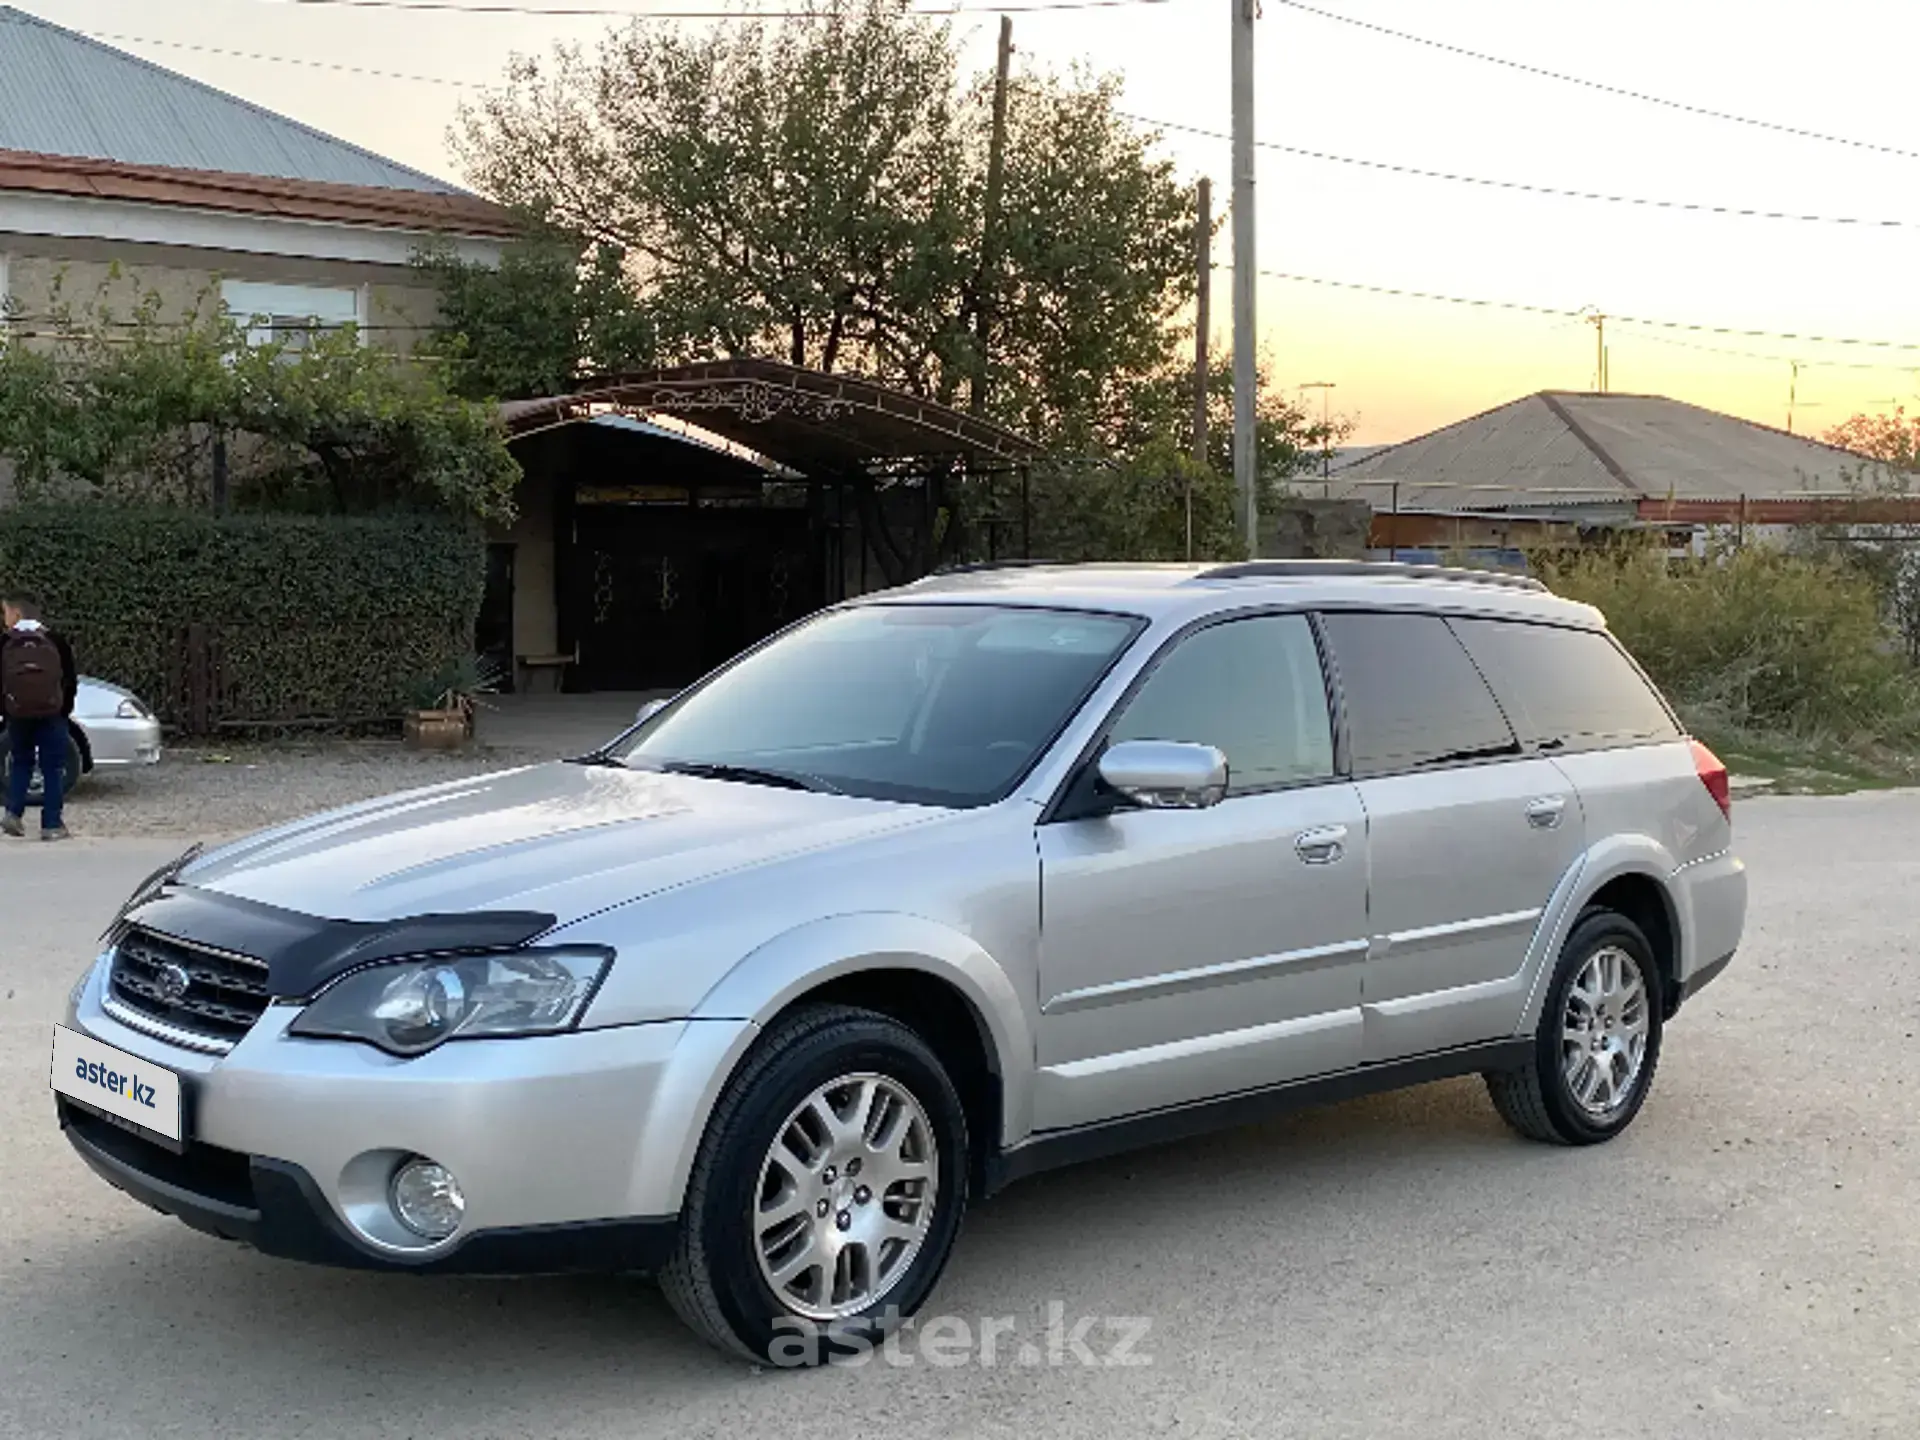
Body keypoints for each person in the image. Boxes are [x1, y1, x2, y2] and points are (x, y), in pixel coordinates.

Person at [1, 591, 78, 840]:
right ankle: (52, 825)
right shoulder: (55, 640)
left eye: (5, 612)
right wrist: (62, 710)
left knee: (21, 762)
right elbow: (70, 681)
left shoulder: (4, 642)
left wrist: (7, 711)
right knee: (52, 768)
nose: (4, 618)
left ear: (17, 613)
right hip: (52, 714)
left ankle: (14, 814)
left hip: (18, 714)